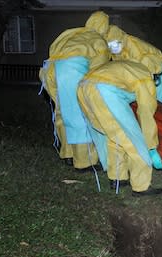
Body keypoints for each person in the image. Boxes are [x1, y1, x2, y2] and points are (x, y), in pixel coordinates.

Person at [77, 59, 162, 195]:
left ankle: (118, 177)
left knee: (115, 135)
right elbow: (146, 112)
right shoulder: (146, 77)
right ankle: (141, 186)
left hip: (83, 87)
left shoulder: (131, 66)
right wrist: (151, 145)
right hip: (104, 91)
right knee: (133, 139)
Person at [39, 11, 110, 170]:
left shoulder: (73, 32)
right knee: (81, 114)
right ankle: (84, 162)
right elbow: (100, 71)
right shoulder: (98, 39)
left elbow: (53, 48)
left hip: (49, 70)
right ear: (103, 28)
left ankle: (68, 153)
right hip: (71, 70)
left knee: (63, 112)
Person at [106, 25, 162, 106]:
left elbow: (149, 68)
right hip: (147, 71)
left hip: (160, 73)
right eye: (110, 46)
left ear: (120, 39)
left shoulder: (134, 47)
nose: (113, 48)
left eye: (114, 44)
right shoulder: (117, 51)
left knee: (156, 105)